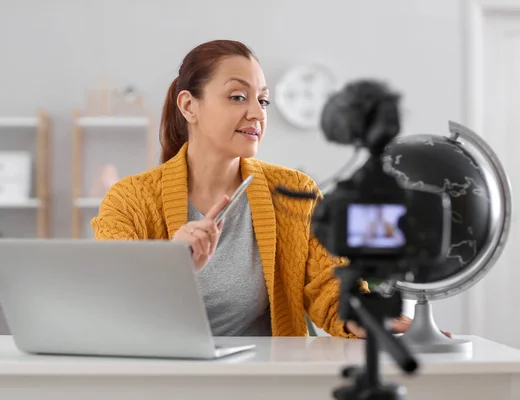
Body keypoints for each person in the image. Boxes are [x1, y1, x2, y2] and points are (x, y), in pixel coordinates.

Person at [91, 39, 414, 338]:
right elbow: (113, 311)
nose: (258, 113)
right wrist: (172, 269)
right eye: (237, 97)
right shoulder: (129, 201)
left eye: (263, 100)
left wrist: (363, 316)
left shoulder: (294, 191)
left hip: (263, 380)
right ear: (189, 106)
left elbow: (330, 289)